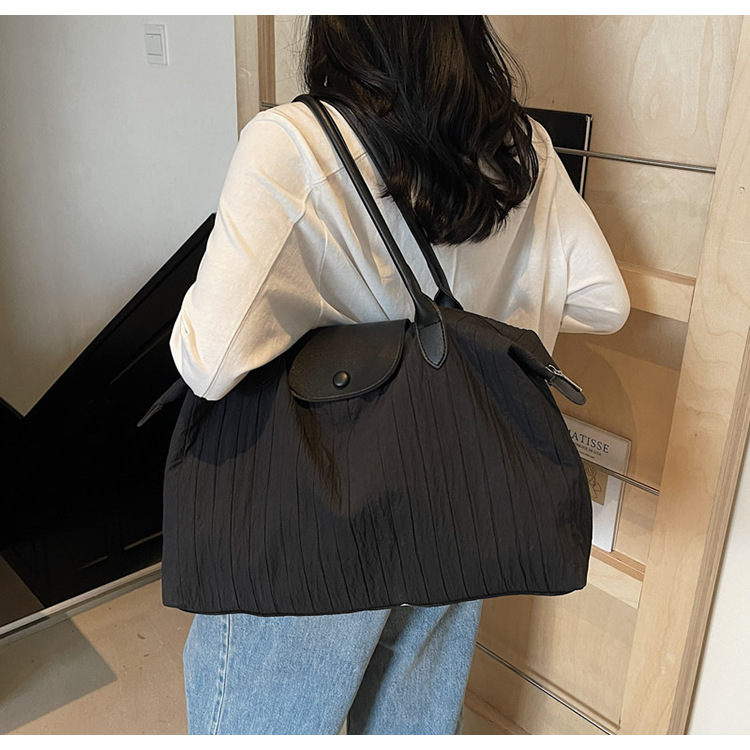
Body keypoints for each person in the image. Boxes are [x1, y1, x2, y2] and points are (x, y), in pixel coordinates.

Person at [169, 16, 629, 735]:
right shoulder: (522, 147)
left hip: (316, 506)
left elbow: (210, 361)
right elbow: (604, 302)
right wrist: (491, 301)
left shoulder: (293, 143)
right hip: (459, 485)